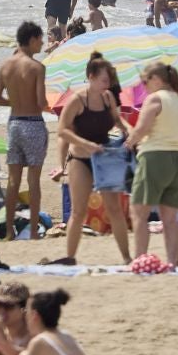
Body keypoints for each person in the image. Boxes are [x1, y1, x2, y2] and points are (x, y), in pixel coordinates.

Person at [55, 55, 131, 264]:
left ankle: (126, 257)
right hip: (80, 158)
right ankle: (70, 257)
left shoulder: (108, 98)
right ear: (91, 77)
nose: (108, 84)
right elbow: (61, 131)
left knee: (114, 208)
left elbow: (117, 119)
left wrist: (128, 132)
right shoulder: (77, 100)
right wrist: (85, 144)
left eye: (109, 81)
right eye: (104, 80)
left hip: (104, 157)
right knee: (78, 211)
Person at [125, 61, 178, 264]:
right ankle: (171, 263)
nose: (144, 86)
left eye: (145, 81)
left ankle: (140, 259)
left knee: (138, 212)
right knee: (169, 219)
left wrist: (130, 141)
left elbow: (142, 128)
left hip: (155, 156)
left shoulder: (154, 99)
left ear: (156, 79)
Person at [0, 22, 49, 241]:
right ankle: (34, 231)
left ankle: (9, 231)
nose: (43, 43)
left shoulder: (5, 65)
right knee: (33, 181)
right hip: (33, 124)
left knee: (12, 182)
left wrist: (16, 102)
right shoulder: (37, 67)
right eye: (40, 39)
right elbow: (40, 101)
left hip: (14, 123)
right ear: (32, 39)